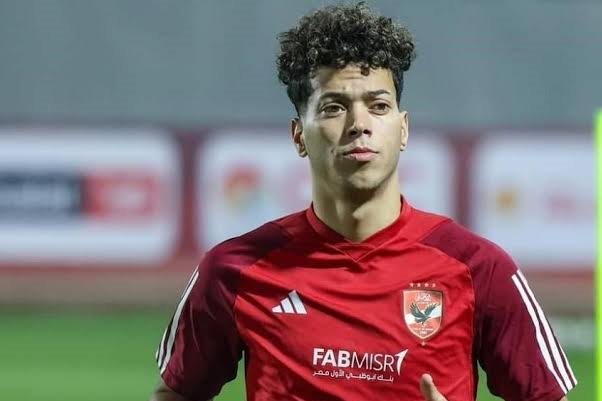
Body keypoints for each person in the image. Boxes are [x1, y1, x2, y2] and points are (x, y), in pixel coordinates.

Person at [150, 3, 576, 401]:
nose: (359, 125)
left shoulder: (480, 268)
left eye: (379, 105)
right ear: (299, 136)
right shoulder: (234, 270)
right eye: (334, 107)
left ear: (403, 129)